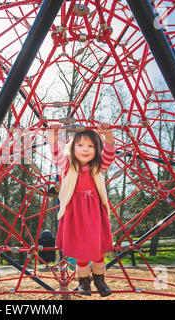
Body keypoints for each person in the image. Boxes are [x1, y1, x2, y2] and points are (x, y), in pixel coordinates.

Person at [48, 121, 115, 297]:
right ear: (72, 148)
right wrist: (54, 135)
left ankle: (100, 281)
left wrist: (108, 135)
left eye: (91, 146)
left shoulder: (97, 167)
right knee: (82, 251)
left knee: (98, 250)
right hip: (76, 214)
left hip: (94, 214)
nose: (85, 149)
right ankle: (84, 283)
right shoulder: (68, 167)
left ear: (96, 150)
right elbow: (56, 154)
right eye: (80, 145)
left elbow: (109, 154)